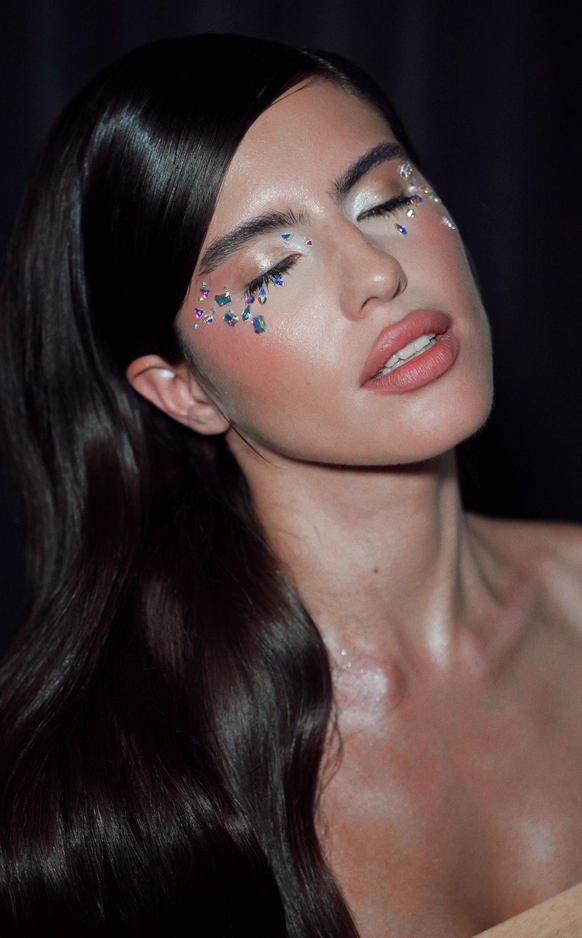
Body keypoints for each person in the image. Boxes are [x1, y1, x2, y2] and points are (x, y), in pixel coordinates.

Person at [1, 33, 582, 938]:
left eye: (386, 199)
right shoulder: (103, 817)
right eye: (272, 266)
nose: (379, 272)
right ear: (184, 391)